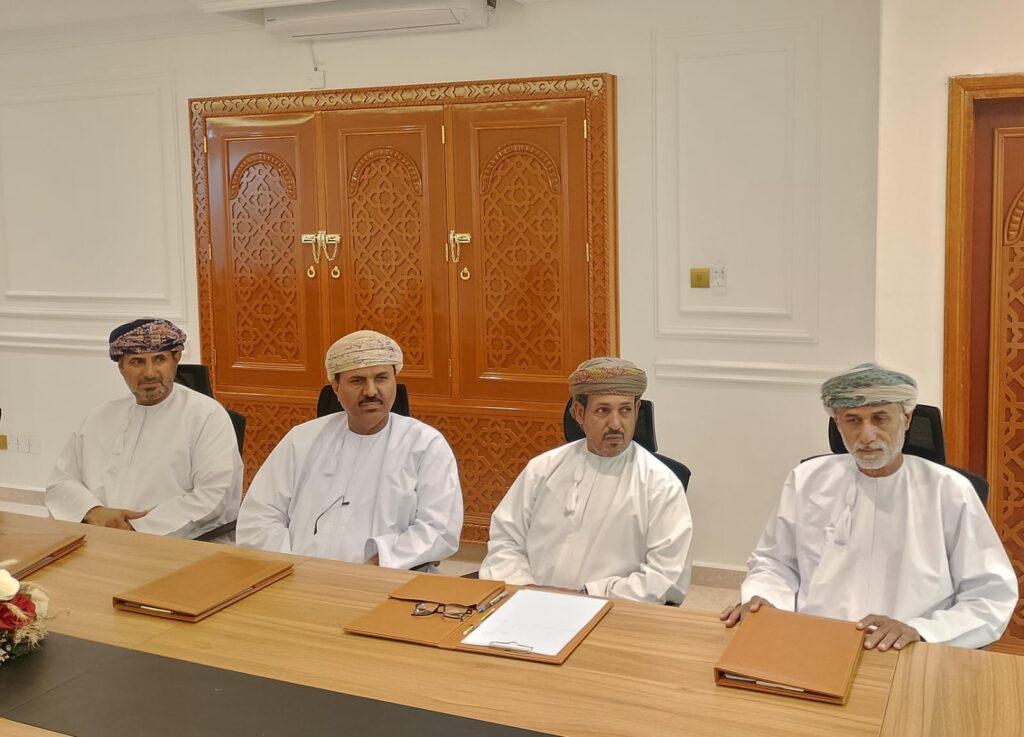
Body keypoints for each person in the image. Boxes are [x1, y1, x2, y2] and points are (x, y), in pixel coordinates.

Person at [721, 363, 1018, 650]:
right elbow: (775, 562)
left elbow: (990, 595)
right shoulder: (807, 480)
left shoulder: (950, 490)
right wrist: (767, 600)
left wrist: (921, 630)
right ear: (838, 424)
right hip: (815, 644)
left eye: (880, 418)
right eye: (853, 420)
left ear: (906, 419)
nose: (866, 435)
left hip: (908, 650)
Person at [236, 330, 462, 569]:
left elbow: (439, 529)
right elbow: (259, 516)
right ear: (336, 387)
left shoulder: (426, 445)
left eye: (381, 378)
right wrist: (291, 568)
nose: (371, 391)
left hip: (386, 578)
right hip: (295, 577)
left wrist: (377, 564)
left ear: (395, 381)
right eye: (357, 381)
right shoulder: (301, 440)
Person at [479, 357, 693, 604]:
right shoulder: (543, 469)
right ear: (579, 413)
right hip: (528, 602)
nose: (615, 424)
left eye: (625, 410)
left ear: (636, 411)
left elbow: (665, 576)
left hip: (612, 610)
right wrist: (524, 589)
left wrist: (585, 596)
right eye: (603, 411)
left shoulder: (661, 484)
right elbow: (506, 540)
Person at [46, 319, 242, 538]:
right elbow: (61, 480)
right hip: (100, 536)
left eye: (159, 359)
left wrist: (136, 528)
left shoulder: (207, 416)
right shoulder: (99, 417)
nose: (149, 373)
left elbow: (214, 496)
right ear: (122, 367)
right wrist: (92, 511)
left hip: (179, 542)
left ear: (175, 360)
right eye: (137, 362)